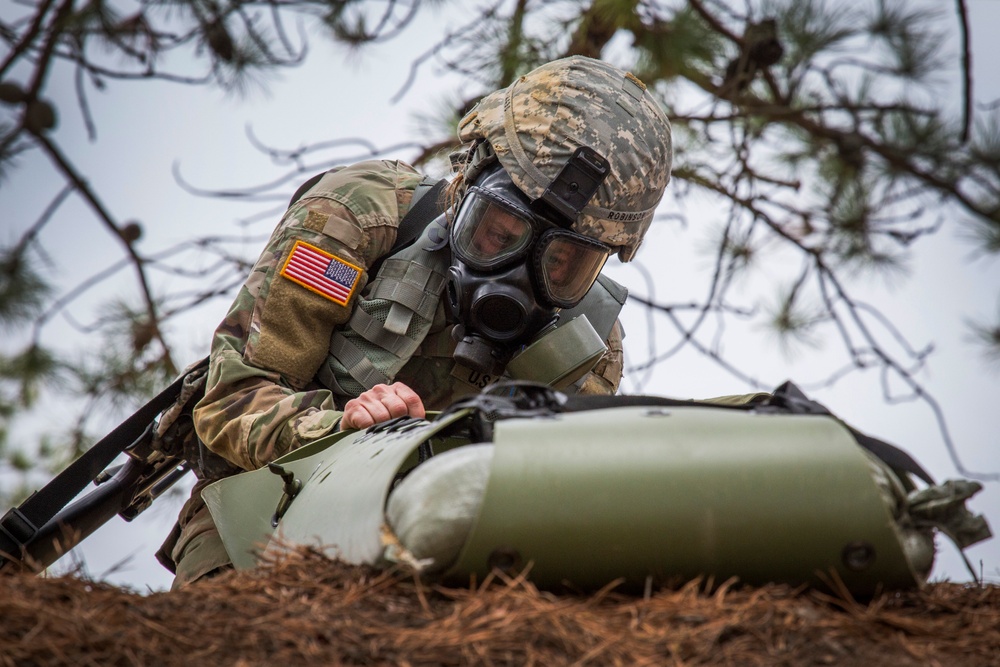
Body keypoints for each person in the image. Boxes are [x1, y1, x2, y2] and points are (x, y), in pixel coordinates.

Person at [156, 55, 674, 589]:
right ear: (467, 178)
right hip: (265, 512)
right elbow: (234, 397)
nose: (517, 279)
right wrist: (349, 435)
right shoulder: (358, 217)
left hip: (455, 556)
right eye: (498, 234)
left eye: (562, 265)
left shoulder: (585, 341)